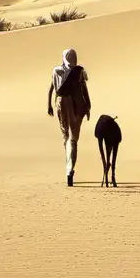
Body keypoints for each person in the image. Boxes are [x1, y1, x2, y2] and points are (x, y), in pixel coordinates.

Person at [47, 48, 91, 186]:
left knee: (66, 137)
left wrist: (49, 105)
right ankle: (70, 169)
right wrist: (88, 106)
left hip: (61, 103)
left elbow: (52, 88)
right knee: (74, 139)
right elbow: (85, 90)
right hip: (76, 104)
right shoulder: (80, 72)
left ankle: (68, 168)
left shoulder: (57, 71)